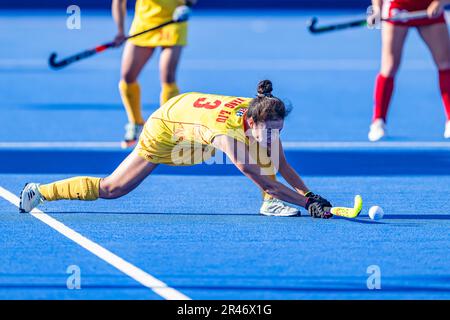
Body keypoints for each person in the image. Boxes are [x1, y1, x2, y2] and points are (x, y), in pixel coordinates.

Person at [19, 80, 333, 219]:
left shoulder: (263, 115)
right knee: (114, 188)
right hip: (168, 127)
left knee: (263, 150)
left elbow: (281, 163)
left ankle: (270, 206)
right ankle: (41, 191)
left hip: (190, 110)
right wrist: (308, 204)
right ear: (251, 121)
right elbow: (266, 180)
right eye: (269, 131)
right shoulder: (226, 134)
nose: (274, 136)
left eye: (279, 131)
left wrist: (308, 195)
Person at [112, 0, 196, 148]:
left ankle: (167, 129)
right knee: (127, 76)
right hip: (145, 23)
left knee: (168, 77)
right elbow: (119, 2)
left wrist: (186, 6)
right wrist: (120, 31)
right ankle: (136, 123)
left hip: (173, 21)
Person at [367, 0, 450, 141]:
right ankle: (378, 122)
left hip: (428, 7)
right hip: (399, 7)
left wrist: (440, 3)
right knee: (389, 65)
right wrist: (377, 8)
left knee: (445, 63)